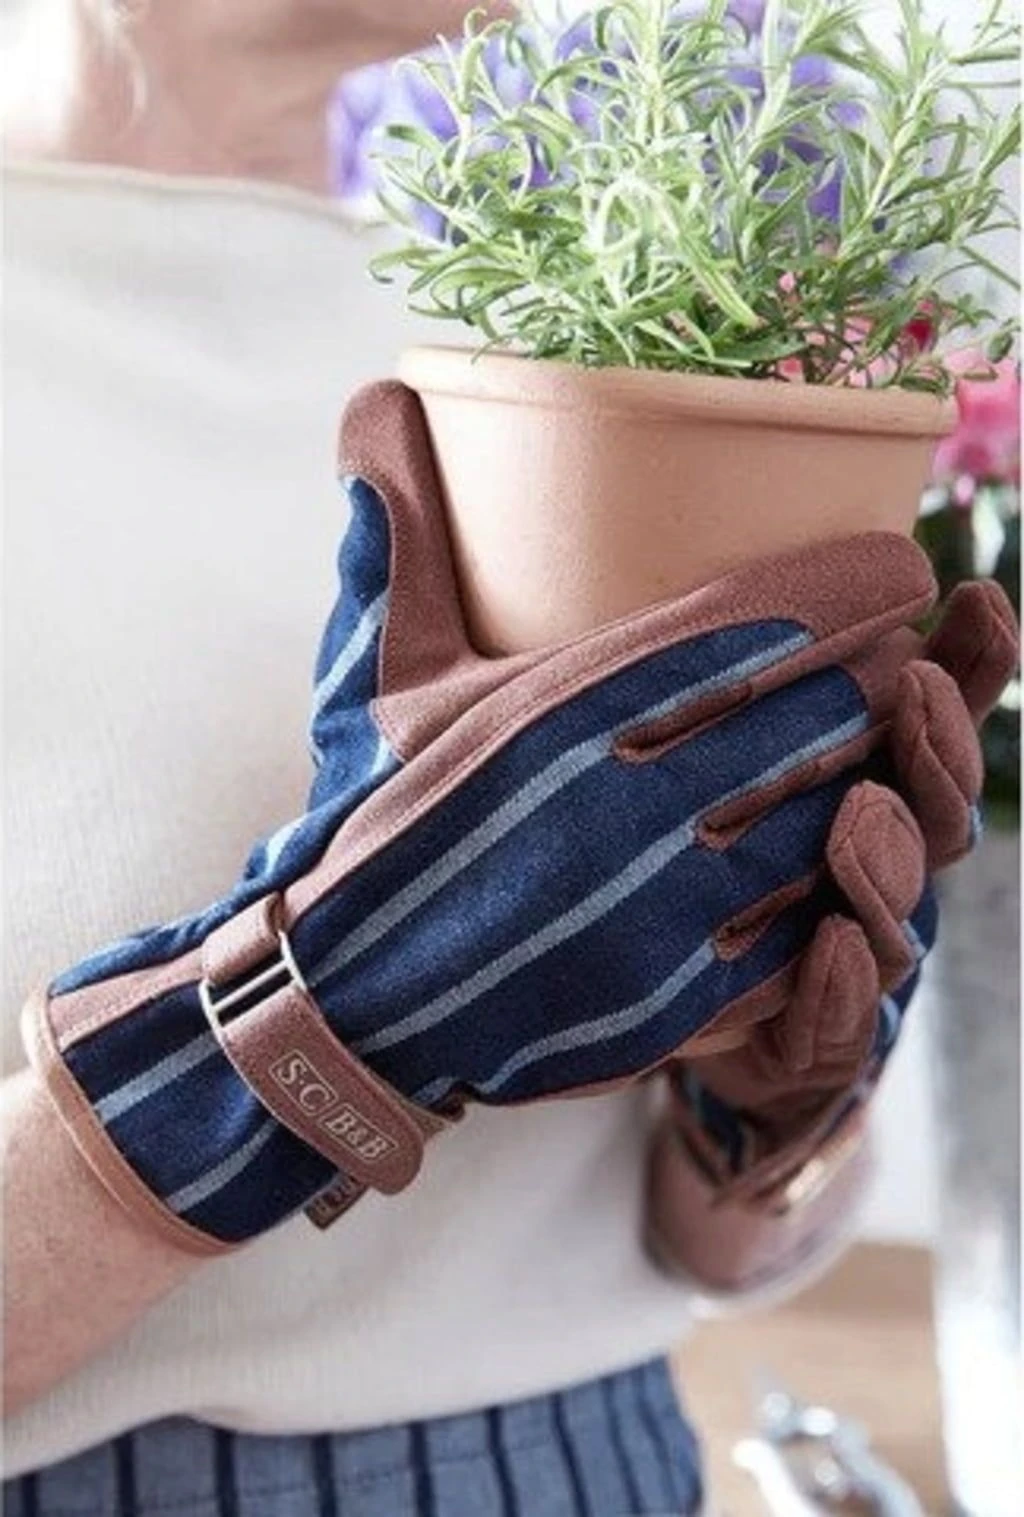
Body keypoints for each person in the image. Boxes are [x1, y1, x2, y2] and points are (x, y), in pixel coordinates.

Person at [2, 4, 1013, 1515]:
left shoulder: (571, 286)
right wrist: (322, 1022)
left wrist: (771, 1109)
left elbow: (680, 1249)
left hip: (599, 1465)